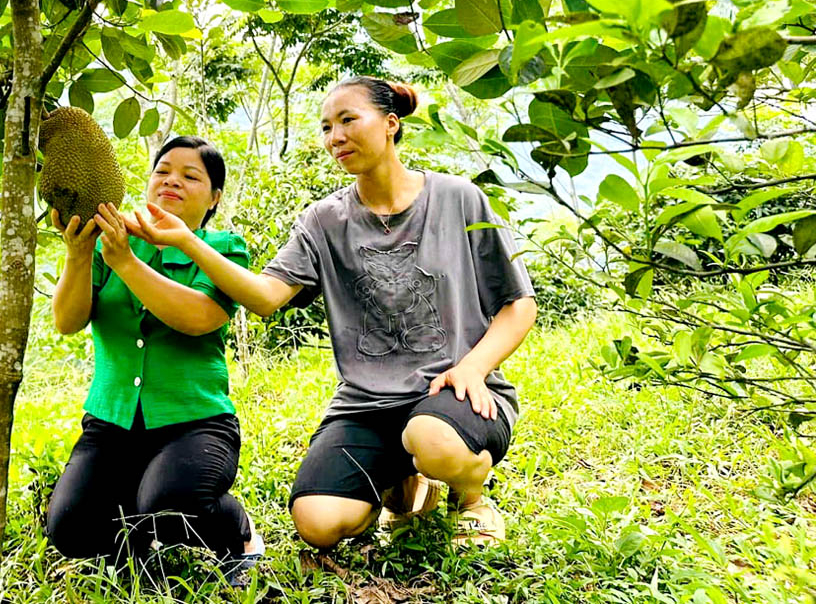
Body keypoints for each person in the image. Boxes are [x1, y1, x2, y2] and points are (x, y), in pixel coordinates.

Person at [126, 77, 537, 549]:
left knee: (434, 440)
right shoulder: (324, 220)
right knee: (317, 522)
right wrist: (187, 240)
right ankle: (404, 485)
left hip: (452, 390)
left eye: (347, 120)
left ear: (389, 124)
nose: (334, 137)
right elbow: (263, 297)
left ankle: (470, 498)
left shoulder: (457, 197)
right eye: (326, 127)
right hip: (366, 404)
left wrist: (473, 367)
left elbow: (518, 304)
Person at [45, 135, 264, 583]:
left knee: (170, 507)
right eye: (162, 171)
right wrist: (79, 253)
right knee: (68, 528)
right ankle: (139, 543)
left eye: (190, 176)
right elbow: (68, 321)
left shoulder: (222, 248)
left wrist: (125, 263)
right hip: (112, 424)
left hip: (195, 422)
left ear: (214, 197)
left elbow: (200, 317)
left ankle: (238, 532)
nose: (172, 181)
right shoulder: (111, 239)